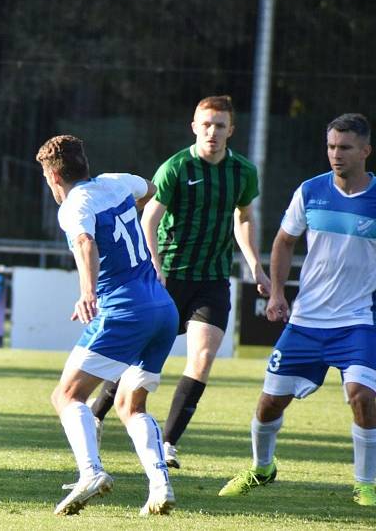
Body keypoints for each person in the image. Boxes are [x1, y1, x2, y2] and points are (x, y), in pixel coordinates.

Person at [88, 95, 271, 468]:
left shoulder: (243, 172)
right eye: (206, 124)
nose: (213, 132)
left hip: (213, 279)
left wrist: (255, 263)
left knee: (202, 358)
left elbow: (245, 216)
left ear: (231, 130)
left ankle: (168, 442)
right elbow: (149, 219)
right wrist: (154, 263)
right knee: (136, 353)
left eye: (220, 125)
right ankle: (95, 414)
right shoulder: (175, 167)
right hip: (169, 275)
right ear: (194, 126)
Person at [218, 113, 376, 507]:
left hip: (357, 320)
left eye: (344, 148)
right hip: (306, 321)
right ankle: (262, 468)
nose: (335, 155)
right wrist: (277, 296)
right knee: (270, 401)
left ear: (365, 151)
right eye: (331, 146)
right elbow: (285, 241)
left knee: (362, 396)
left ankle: (366, 482)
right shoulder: (310, 191)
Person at [36, 135, 178, 516]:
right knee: (130, 404)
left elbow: (84, 242)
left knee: (66, 397)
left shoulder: (72, 205)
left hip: (125, 309)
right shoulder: (116, 183)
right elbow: (150, 189)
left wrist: (87, 292)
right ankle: (160, 485)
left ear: (53, 177)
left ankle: (90, 472)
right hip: (163, 308)